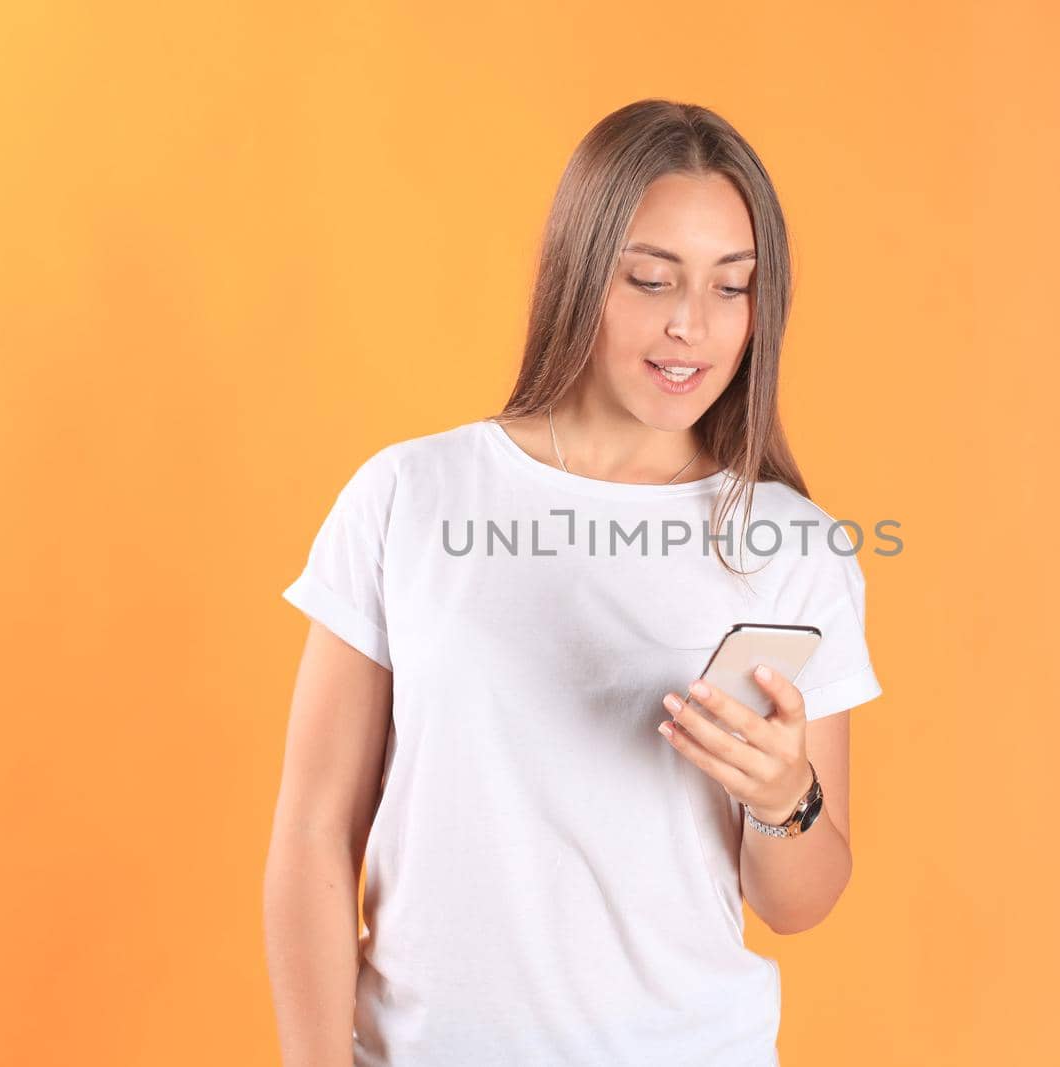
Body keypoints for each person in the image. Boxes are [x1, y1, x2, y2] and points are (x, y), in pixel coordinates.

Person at [264, 98, 885, 1067]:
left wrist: (785, 796)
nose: (692, 326)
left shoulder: (795, 545)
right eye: (650, 279)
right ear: (580, 270)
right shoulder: (410, 494)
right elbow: (310, 828)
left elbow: (798, 899)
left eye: (733, 287)